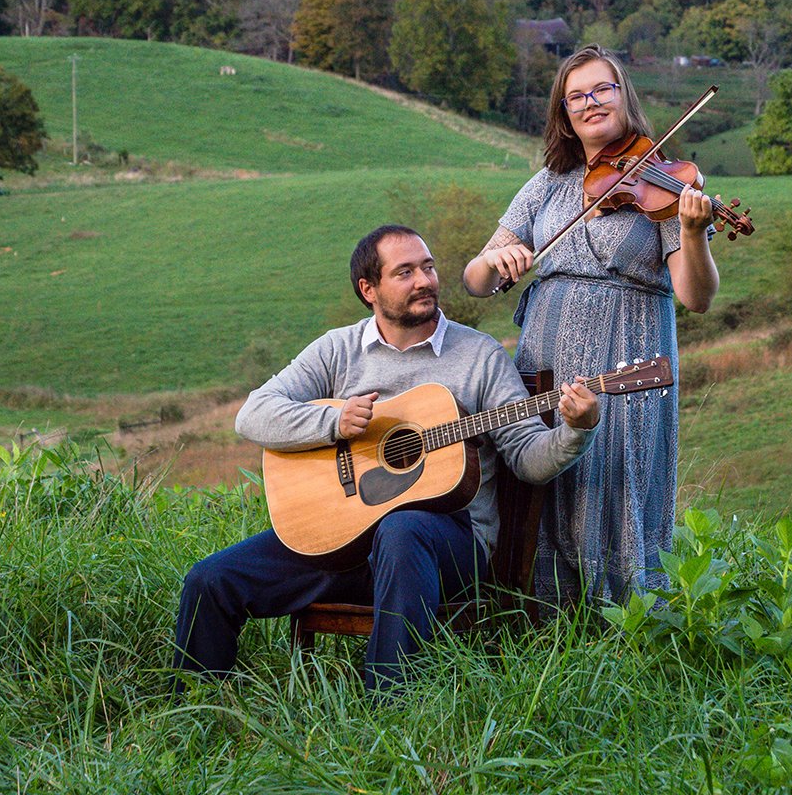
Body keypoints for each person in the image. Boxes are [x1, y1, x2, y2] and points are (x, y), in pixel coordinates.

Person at [173, 224, 599, 695]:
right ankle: (196, 712)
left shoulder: (478, 355)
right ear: (368, 290)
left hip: (447, 549)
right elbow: (252, 415)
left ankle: (388, 709)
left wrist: (574, 430)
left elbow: (525, 457)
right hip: (346, 542)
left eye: (429, 267)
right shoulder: (339, 349)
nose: (425, 280)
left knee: (403, 529)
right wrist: (334, 425)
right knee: (211, 579)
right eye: (405, 272)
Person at [462, 45, 718, 606]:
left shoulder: (667, 182)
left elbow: (695, 297)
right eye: (575, 96)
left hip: (628, 357)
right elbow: (474, 279)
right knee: (543, 479)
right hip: (543, 359)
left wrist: (695, 232)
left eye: (602, 89)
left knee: (613, 479)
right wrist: (494, 263)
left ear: (624, 94)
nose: (590, 102)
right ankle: (536, 616)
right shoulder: (546, 184)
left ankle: (625, 619)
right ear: (564, 114)